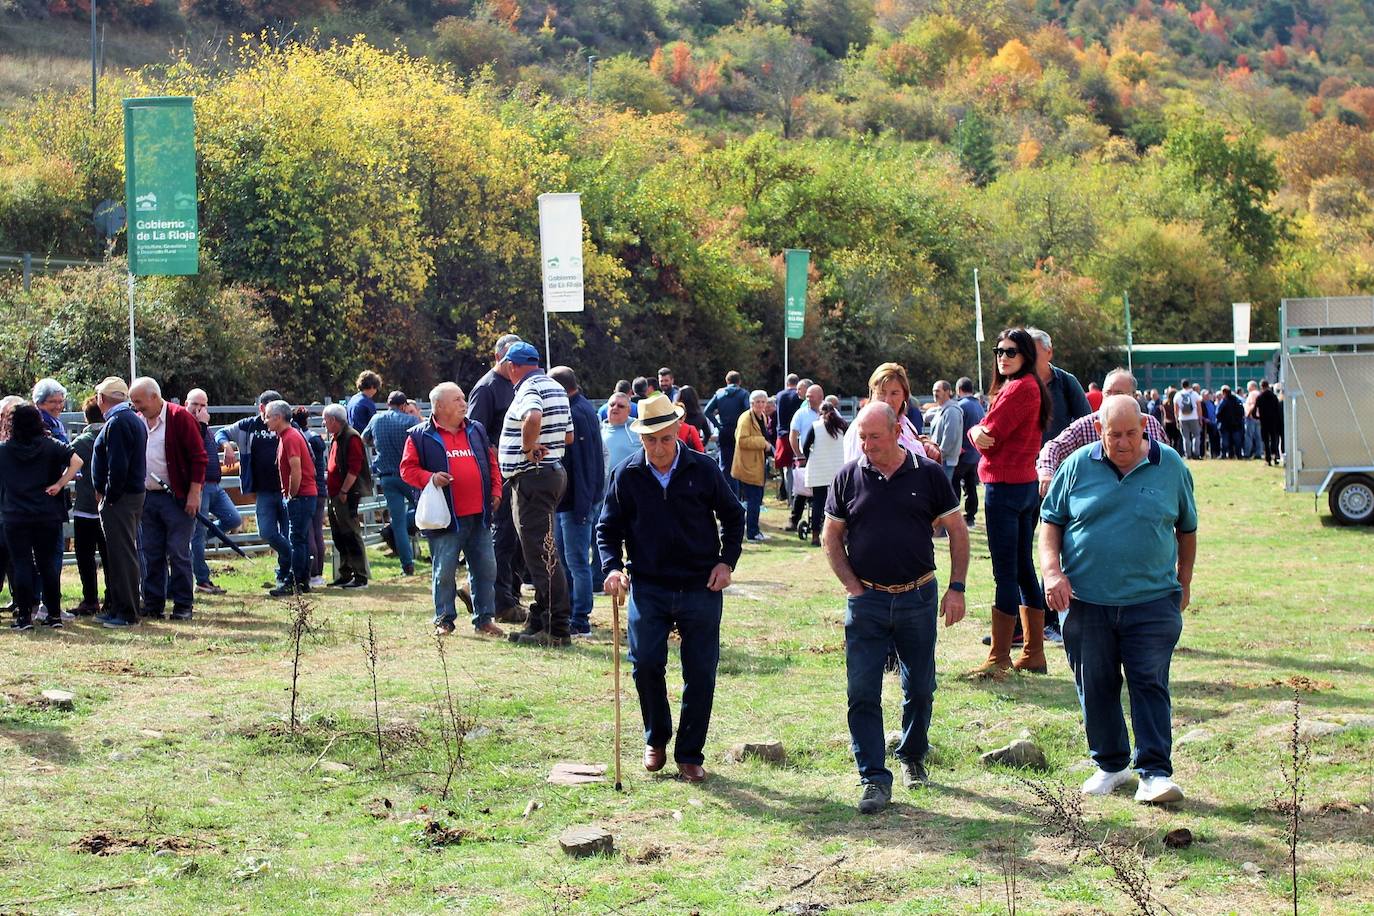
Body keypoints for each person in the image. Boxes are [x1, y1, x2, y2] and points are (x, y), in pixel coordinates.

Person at [1041, 396, 1197, 804]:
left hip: (1152, 599)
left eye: (1131, 433)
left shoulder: (1171, 467)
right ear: (1099, 429)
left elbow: (1187, 529)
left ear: (1144, 427)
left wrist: (1184, 581)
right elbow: (1051, 522)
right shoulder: (1076, 466)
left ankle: (1154, 774)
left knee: (1149, 681)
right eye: (1114, 434)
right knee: (1095, 683)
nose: (1123, 442)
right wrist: (1052, 572)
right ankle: (1111, 764)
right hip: (1086, 600)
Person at [822, 403, 969, 813]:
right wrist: (853, 586)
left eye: (875, 437)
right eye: (862, 438)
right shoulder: (848, 477)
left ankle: (912, 754)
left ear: (896, 431)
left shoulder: (929, 475)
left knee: (920, 687)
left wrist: (956, 588)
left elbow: (957, 531)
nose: (867, 446)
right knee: (862, 691)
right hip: (867, 601)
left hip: (918, 596)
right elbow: (830, 536)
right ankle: (872, 777)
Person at [598, 394, 745, 784]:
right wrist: (612, 567)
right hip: (649, 584)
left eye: (665, 438)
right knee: (645, 664)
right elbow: (607, 530)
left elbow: (734, 516)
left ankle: (690, 752)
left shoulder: (704, 468)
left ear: (677, 431)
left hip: (700, 584)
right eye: (650, 440)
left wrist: (726, 562)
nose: (659, 448)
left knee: (700, 671)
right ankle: (656, 738)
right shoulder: (626, 475)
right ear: (641, 438)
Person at [967, 328, 1050, 677]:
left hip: (1006, 487)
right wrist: (978, 431)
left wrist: (974, 432)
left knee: (1006, 573)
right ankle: (1033, 652)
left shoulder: (1018, 388)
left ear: (1026, 355)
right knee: (1022, 569)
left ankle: (1000, 656)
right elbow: (985, 432)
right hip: (1023, 485)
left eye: (1011, 352)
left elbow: (988, 436)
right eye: (1000, 351)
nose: (1003, 357)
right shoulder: (1029, 386)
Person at [401, 382, 504, 637]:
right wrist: (431, 478)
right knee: (444, 571)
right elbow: (407, 470)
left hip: (479, 516)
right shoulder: (419, 435)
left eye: (463, 399)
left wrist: (496, 491)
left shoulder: (476, 429)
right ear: (440, 406)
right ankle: (444, 620)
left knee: (486, 568)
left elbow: (491, 463)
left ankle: (484, 619)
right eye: (457, 399)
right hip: (446, 519)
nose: (464, 404)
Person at [498, 342, 574, 646]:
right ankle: (539, 619)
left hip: (533, 478)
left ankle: (556, 628)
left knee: (542, 557)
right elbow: (568, 436)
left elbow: (532, 417)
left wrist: (528, 449)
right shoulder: (554, 386)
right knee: (542, 552)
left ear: (513, 366)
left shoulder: (528, 388)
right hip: (549, 474)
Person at [130, 377, 207, 622]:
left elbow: (198, 457)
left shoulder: (180, 418)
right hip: (148, 497)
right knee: (151, 551)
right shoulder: (139, 421)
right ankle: (153, 603)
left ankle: (183, 604)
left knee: (178, 551)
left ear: (154, 397)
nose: (136, 407)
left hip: (177, 497)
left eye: (139, 402)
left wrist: (194, 494)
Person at [0, 405, 81, 630]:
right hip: (47, 513)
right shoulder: (51, 446)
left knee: (22, 564)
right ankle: (54, 615)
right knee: (47, 565)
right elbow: (77, 461)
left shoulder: (4, 450)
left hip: (15, 514)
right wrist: (60, 484)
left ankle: (24, 616)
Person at [469, 334, 527, 624]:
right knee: (503, 537)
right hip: (499, 474)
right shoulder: (487, 388)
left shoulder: (516, 385)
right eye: (510, 360)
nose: (515, 365)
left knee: (516, 540)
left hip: (518, 472)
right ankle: (500, 602)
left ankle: (507, 595)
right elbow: (475, 436)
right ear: (498, 358)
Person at [1036, 369, 1168, 496]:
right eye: (1107, 393)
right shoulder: (1086, 424)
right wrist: (1047, 473)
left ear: (1134, 396)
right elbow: (1053, 447)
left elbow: (1168, 459)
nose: (1111, 398)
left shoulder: (1149, 423)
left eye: (1118, 393)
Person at [549, 366, 604, 638]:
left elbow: (584, 465)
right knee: (564, 559)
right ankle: (568, 609)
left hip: (576, 503)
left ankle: (580, 618)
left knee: (577, 562)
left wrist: (583, 507)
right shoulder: (579, 407)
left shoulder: (578, 413)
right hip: (568, 502)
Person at [217, 391, 292, 589]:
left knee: (288, 532)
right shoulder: (248, 425)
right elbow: (220, 433)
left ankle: (286, 575)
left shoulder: (287, 425)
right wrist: (227, 446)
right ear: (261, 408)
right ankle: (295, 558)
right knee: (267, 532)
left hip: (288, 489)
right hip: (264, 490)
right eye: (267, 410)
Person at [90, 377, 148, 628]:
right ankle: (118, 607)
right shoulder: (129, 420)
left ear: (102, 399)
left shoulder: (119, 423)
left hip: (121, 499)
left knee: (122, 554)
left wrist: (109, 496)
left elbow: (118, 465)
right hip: (127, 496)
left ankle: (127, 612)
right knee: (119, 553)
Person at [183, 389, 242, 597]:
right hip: (200, 485)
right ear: (186, 404)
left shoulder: (204, 426)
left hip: (215, 485)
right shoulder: (188, 425)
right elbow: (194, 449)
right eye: (195, 405)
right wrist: (202, 424)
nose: (199, 409)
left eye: (203, 405)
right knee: (198, 535)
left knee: (233, 519)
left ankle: (191, 545)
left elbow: (218, 436)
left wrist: (226, 446)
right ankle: (202, 579)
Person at [263, 400, 318, 597]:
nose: (265, 420)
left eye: (268, 416)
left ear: (278, 417)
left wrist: (291, 494)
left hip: (301, 496)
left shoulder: (290, 437)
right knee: (300, 539)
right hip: (304, 496)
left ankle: (293, 581)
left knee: (296, 540)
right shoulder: (287, 436)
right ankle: (302, 581)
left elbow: (296, 469)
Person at [364, 391, 421, 576]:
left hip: (387, 476)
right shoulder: (411, 421)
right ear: (404, 406)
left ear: (388, 404)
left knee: (397, 522)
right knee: (423, 511)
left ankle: (407, 565)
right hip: (410, 474)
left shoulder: (376, 420)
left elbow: (365, 438)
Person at [322, 403, 372, 589]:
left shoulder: (351, 438)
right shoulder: (338, 437)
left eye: (325, 419)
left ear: (334, 420)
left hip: (346, 494)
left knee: (351, 534)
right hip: (336, 493)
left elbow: (354, 468)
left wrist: (344, 491)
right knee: (339, 535)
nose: (324, 423)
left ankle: (360, 576)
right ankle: (346, 573)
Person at [68, 398, 109, 616]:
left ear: (86, 417)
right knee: (110, 555)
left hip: (85, 507)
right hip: (108, 506)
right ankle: (112, 597)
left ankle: (90, 599)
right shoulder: (111, 436)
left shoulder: (80, 442)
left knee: (85, 556)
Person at [1027, 329, 1092, 442]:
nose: (1028, 359)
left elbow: (1086, 423)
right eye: (1025, 354)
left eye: (1033, 354)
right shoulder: (1015, 385)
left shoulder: (1066, 382)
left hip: (1060, 456)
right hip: (1023, 457)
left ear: (1049, 352)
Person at [291, 407, 329, 588]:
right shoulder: (316, 437)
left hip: (309, 488)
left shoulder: (300, 438)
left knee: (309, 534)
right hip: (321, 488)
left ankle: (312, 572)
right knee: (318, 532)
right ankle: (319, 573)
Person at [801, 401, 847, 547]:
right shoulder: (843, 426)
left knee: (818, 503)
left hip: (819, 469)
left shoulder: (816, 427)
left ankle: (815, 536)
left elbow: (805, 446)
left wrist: (810, 459)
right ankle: (843, 534)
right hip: (839, 469)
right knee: (841, 503)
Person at [731, 391, 772, 543]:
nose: (761, 404)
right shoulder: (745, 418)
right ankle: (752, 533)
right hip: (748, 466)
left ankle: (754, 530)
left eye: (763, 401)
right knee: (754, 500)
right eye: (758, 402)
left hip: (759, 465)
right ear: (751, 403)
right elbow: (741, 440)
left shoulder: (763, 417)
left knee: (757, 499)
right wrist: (763, 443)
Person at [702, 371, 750, 497]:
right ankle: (741, 495)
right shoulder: (743, 394)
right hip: (739, 432)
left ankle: (726, 494)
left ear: (726, 381)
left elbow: (707, 411)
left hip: (724, 432)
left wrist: (718, 426)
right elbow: (748, 411)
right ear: (739, 381)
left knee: (725, 465)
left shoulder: (719, 394)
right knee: (741, 464)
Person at [787, 384, 825, 531]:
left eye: (811, 397)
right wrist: (798, 454)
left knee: (821, 493)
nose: (808, 399)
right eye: (807, 396)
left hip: (823, 459)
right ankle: (794, 520)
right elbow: (793, 435)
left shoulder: (829, 412)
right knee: (801, 490)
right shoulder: (801, 413)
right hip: (805, 458)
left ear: (820, 397)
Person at [952, 378, 984, 529]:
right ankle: (970, 517)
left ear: (959, 390)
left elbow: (958, 429)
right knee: (971, 486)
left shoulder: (960, 406)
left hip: (963, 452)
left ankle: (954, 515)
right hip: (976, 453)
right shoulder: (979, 405)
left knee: (954, 483)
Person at [773, 374, 803, 502]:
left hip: (782, 434)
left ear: (787, 383)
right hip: (798, 434)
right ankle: (799, 496)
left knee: (787, 468)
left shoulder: (779, 396)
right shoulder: (799, 396)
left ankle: (789, 498)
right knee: (799, 466)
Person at [928, 380, 963, 481]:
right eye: (934, 391)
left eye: (938, 391)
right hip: (940, 460)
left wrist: (939, 456)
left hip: (945, 461)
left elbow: (950, 437)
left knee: (942, 493)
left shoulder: (951, 411)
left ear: (947, 392)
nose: (935, 394)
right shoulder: (941, 409)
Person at [601, 393, 640, 475]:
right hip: (604, 486)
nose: (615, 407)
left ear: (629, 410)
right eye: (612, 405)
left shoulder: (638, 429)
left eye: (620, 406)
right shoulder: (598, 430)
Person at [675, 386, 713, 453]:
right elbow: (708, 434)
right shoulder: (700, 417)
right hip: (694, 449)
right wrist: (702, 444)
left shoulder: (677, 418)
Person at [31, 378, 69, 443]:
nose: (58, 406)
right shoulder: (39, 425)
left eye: (61, 401)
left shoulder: (55, 423)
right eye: (52, 402)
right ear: (39, 403)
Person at [1173, 381, 1202, 460]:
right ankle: (1196, 454)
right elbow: (1199, 407)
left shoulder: (1178, 395)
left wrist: (1177, 420)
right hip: (1194, 417)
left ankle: (1188, 455)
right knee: (1196, 436)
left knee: (1186, 438)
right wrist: (1200, 418)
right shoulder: (1194, 394)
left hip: (1182, 418)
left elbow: (1176, 409)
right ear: (1189, 385)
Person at [1256, 380, 1283, 466]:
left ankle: (1268, 459)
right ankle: (1275, 456)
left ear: (1261, 386)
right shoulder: (1274, 397)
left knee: (1266, 441)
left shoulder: (1260, 397)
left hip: (1264, 421)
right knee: (1274, 440)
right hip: (1274, 421)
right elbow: (1278, 409)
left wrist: (1257, 417)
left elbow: (1255, 410)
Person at [1216, 385, 1245, 459]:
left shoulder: (1224, 401)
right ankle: (1238, 455)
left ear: (1224, 392)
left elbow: (1218, 413)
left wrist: (1220, 420)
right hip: (1236, 424)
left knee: (1225, 441)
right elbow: (1241, 411)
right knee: (1237, 441)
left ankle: (1224, 455)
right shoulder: (1237, 400)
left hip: (1225, 425)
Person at [1243, 381, 1263, 459]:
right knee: (1258, 436)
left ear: (1252, 386)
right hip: (1258, 418)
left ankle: (1247, 453)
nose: (1247, 388)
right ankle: (1258, 453)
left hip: (1251, 417)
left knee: (1249, 436)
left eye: (1248, 386)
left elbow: (1253, 405)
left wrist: (1248, 414)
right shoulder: (1259, 393)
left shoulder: (1252, 394)